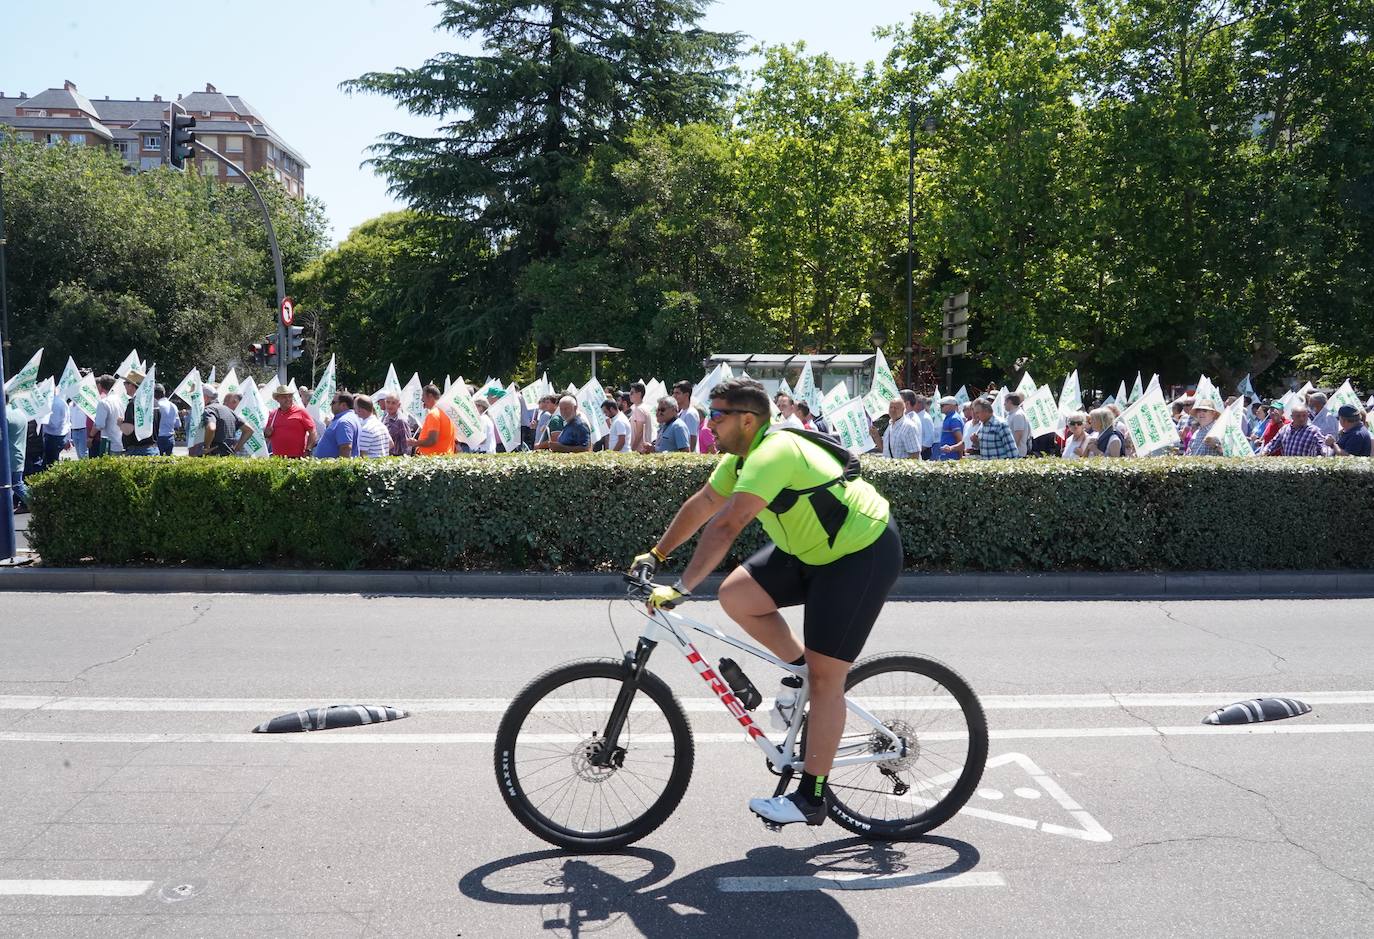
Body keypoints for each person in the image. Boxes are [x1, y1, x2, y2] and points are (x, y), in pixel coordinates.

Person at [630, 377, 901, 827]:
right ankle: (800, 675)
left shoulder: (774, 452)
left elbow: (726, 525)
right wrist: (657, 553)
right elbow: (703, 505)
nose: (709, 423)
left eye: (717, 415)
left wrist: (681, 587)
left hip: (860, 553)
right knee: (736, 595)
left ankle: (811, 798)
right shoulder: (741, 458)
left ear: (748, 420)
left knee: (828, 677)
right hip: (809, 550)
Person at [264, 383, 317, 458]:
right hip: (277, 459)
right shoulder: (273, 414)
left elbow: (313, 431)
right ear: (277, 399)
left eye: (290, 396)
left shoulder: (301, 412)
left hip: (298, 457)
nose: (288, 399)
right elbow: (267, 435)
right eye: (284, 397)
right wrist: (266, 433)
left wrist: (308, 450)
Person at [119, 369, 161, 456]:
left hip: (138, 450)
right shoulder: (154, 402)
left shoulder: (134, 403)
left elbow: (128, 430)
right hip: (153, 448)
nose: (124, 386)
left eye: (125, 383)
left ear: (132, 385)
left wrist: (120, 424)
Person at [200, 386, 252, 457]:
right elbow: (249, 430)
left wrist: (206, 447)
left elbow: (211, 428)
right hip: (228, 456)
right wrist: (236, 449)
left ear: (205, 397)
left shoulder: (209, 410)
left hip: (213, 456)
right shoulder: (228, 410)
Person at [1260, 403, 1326, 456]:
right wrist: (1264, 452)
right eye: (1298, 416)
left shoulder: (1314, 431)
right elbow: (1272, 445)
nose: (1301, 419)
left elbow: (1323, 447)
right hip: (1287, 468)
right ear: (1292, 417)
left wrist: (1326, 452)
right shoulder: (1284, 429)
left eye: (1304, 415)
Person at [410, 384, 456, 456]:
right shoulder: (447, 413)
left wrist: (416, 443)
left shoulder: (433, 414)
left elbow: (432, 440)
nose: (422, 400)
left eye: (423, 396)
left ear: (430, 396)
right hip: (445, 457)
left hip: (433, 459)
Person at [312, 392, 362, 458]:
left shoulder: (344, 422)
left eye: (333, 403)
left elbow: (345, 448)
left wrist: (341, 468)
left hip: (331, 467)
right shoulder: (348, 418)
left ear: (343, 405)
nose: (330, 405)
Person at [90, 375, 123, 457]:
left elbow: (99, 425)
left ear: (100, 386)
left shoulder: (103, 402)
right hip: (121, 440)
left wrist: (90, 437)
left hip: (109, 443)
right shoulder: (120, 399)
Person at [6, 406, 29, 514]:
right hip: (18, 454)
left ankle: (38, 503)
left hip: (8, 457)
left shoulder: (4, 416)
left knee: (17, 485)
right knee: (17, 484)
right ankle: (38, 502)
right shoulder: (20, 412)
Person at [903, 391, 935, 460]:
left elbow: (930, 438)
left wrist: (918, 450)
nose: (913, 404)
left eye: (915, 402)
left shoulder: (925, 418)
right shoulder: (915, 416)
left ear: (920, 404)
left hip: (923, 453)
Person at [672, 381, 701, 452]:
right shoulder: (682, 412)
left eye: (677, 393)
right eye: (674, 393)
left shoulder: (690, 413)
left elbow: (692, 438)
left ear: (686, 395)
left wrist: (688, 458)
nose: (674, 396)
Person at [153, 384, 181, 456]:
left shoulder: (156, 406)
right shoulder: (173, 405)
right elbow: (178, 424)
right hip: (170, 437)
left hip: (159, 437)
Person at [628, 382, 655, 452]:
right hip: (643, 449)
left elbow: (639, 432)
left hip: (640, 450)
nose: (629, 395)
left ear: (639, 394)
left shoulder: (639, 409)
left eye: (632, 393)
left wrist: (632, 449)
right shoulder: (642, 407)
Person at [936, 396, 964, 460]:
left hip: (952, 457)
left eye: (942, 405)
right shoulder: (949, 417)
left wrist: (960, 458)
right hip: (946, 456)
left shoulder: (954, 419)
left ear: (951, 406)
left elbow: (960, 439)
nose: (940, 407)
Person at [1004, 393, 1031, 457]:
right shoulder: (1011, 414)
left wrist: (1012, 450)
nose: (1004, 404)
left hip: (1017, 453)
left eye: (1005, 402)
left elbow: (1018, 435)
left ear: (1009, 402)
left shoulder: (1018, 415)